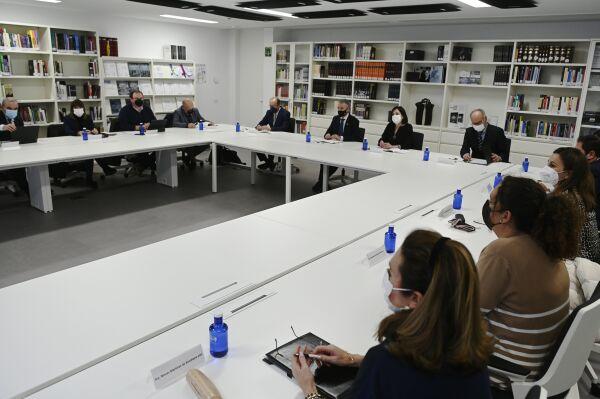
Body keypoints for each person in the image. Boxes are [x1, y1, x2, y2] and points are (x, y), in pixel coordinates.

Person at [292, 230, 493, 399]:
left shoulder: (386, 362)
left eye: (391, 274)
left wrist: (309, 389)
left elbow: (397, 374)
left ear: (415, 298)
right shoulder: (474, 354)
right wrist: (354, 360)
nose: (387, 279)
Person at [478, 176, 580, 396]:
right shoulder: (548, 242)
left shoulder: (502, 253)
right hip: (535, 364)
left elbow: (463, 314)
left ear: (505, 216)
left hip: (503, 373)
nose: (488, 209)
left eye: (492, 204)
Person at [541, 147, 599, 262]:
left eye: (552, 165)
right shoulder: (577, 191)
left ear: (567, 174)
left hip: (577, 260)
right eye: (547, 163)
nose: (546, 169)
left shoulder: (565, 200)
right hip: (585, 255)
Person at [312, 100, 362, 193]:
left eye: (342, 108)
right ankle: (322, 183)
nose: (339, 110)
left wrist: (341, 138)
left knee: (332, 162)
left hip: (347, 150)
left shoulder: (354, 121)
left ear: (348, 109)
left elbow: (357, 138)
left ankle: (321, 184)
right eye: (338, 108)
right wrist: (327, 135)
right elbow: (329, 131)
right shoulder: (335, 118)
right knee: (323, 161)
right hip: (333, 148)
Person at [60, 99, 98, 188]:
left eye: (80, 107)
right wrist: (77, 133)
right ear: (72, 109)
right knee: (89, 155)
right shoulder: (67, 118)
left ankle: (89, 179)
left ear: (83, 108)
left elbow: (92, 128)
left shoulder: (87, 117)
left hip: (87, 143)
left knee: (91, 153)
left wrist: (95, 130)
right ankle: (89, 178)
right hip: (73, 146)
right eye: (76, 108)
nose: (78, 109)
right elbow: (67, 130)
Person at [117, 90, 156, 175]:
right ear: (131, 99)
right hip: (132, 140)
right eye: (136, 98)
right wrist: (136, 127)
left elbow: (154, 121)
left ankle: (143, 165)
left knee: (161, 149)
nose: (139, 100)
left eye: (141, 98)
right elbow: (122, 126)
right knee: (143, 150)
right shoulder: (125, 110)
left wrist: (150, 124)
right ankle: (147, 165)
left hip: (148, 138)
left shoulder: (147, 109)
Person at [172, 98, 212, 170]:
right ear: (183, 107)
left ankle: (188, 157)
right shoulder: (178, 112)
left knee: (206, 144)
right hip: (183, 136)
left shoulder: (195, 110)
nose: (191, 110)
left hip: (195, 135)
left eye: (192, 108)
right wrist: (186, 125)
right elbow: (174, 124)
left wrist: (209, 123)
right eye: (188, 109)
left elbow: (201, 119)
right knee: (190, 146)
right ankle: (190, 158)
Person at [0, 97, 28, 195]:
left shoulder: (18, 117)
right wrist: (3, 127)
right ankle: (25, 187)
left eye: (15, 109)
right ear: (2, 107)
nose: (13, 111)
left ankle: (33, 188)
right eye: (9, 108)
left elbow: (21, 132)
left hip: (15, 147)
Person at [255, 97, 291, 171]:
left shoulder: (285, 113)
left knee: (270, 144)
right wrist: (259, 126)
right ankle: (269, 162)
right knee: (255, 145)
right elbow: (262, 122)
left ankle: (269, 163)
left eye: (273, 106)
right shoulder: (269, 112)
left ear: (278, 105)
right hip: (270, 136)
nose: (271, 108)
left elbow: (284, 128)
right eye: (270, 106)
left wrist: (270, 129)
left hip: (281, 138)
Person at [576, 135, 600, 229]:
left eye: (577, 152)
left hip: (590, 224)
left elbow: (579, 198)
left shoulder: (591, 172)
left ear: (591, 154)